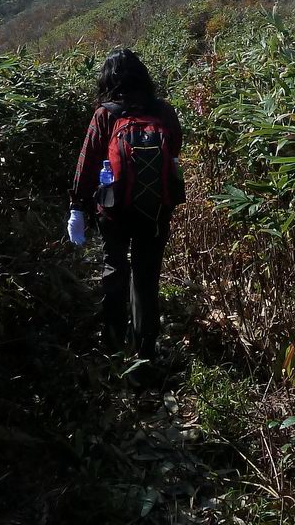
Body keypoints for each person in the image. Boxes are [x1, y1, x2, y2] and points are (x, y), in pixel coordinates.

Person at [69, 48, 183, 361]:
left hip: (114, 209)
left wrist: (77, 207)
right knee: (146, 276)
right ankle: (145, 347)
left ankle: (114, 342)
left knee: (114, 267)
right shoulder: (163, 111)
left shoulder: (105, 113)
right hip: (156, 209)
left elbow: (88, 162)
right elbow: (174, 148)